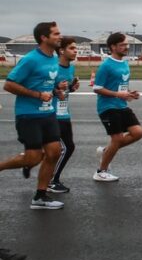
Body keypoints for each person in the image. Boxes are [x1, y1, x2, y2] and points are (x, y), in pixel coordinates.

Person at [0, 21, 65, 209]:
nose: (60, 36)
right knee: (33, 158)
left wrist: (56, 90)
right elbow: (9, 85)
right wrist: (37, 95)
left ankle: (40, 196)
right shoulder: (30, 59)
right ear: (44, 38)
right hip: (28, 115)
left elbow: (44, 83)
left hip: (48, 113)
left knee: (54, 152)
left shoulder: (53, 57)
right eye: (56, 34)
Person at [92, 32, 142, 182]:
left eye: (126, 44)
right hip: (108, 106)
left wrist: (130, 93)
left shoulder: (125, 63)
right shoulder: (106, 65)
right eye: (122, 45)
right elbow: (97, 88)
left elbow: (121, 87)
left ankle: (106, 151)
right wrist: (117, 94)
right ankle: (101, 171)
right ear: (112, 47)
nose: (126, 47)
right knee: (117, 139)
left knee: (138, 132)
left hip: (121, 105)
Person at [48, 36, 81, 193]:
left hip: (64, 113)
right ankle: (51, 181)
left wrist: (72, 88)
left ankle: (30, 161)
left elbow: (65, 92)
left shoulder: (71, 68)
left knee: (68, 147)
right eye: (72, 48)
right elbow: (42, 88)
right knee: (63, 148)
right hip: (51, 114)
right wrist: (56, 89)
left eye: (76, 48)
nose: (76, 51)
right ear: (61, 50)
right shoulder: (52, 67)